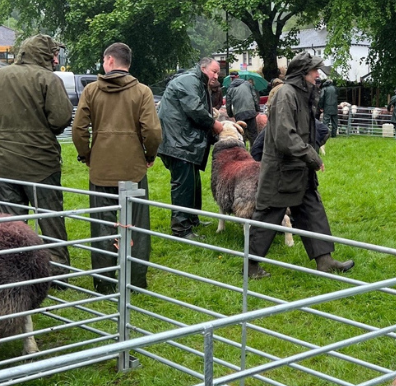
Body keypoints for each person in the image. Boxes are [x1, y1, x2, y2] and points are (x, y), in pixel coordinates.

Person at [248, 52, 354, 279]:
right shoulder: (287, 95)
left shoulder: (301, 93)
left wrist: (308, 158)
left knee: (313, 211)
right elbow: (285, 137)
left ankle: (325, 261)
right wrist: (313, 156)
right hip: (281, 171)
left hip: (298, 169)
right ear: (303, 72)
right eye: (314, 70)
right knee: (267, 216)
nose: (318, 74)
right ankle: (251, 267)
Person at [72, 42, 162, 293]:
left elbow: (79, 130)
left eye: (103, 60)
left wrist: (86, 155)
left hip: (101, 169)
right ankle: (136, 282)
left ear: (110, 60)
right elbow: (153, 131)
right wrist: (149, 154)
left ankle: (104, 283)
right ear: (127, 63)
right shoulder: (142, 92)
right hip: (133, 169)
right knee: (137, 227)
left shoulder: (91, 91)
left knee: (102, 226)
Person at [0, 34, 73, 279]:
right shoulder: (48, 79)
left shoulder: (1, 75)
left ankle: (13, 273)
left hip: (4, 162)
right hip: (41, 163)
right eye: (53, 54)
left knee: (11, 224)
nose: (56, 59)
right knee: (50, 219)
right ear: (43, 54)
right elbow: (60, 119)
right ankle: (57, 272)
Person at [157, 57, 224, 239]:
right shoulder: (188, 81)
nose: (216, 76)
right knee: (183, 186)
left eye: (217, 72)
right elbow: (195, 108)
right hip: (178, 143)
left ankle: (192, 219)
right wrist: (214, 124)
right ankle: (181, 229)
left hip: (184, 141)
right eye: (214, 71)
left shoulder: (197, 82)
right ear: (203, 68)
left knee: (192, 183)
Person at [225, 74, 260, 146]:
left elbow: (228, 104)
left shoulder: (229, 89)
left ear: (231, 79)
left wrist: (230, 114)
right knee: (253, 135)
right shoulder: (247, 84)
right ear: (238, 76)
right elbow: (254, 97)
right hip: (250, 111)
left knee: (241, 135)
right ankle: (255, 153)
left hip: (239, 114)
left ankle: (243, 153)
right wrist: (257, 109)